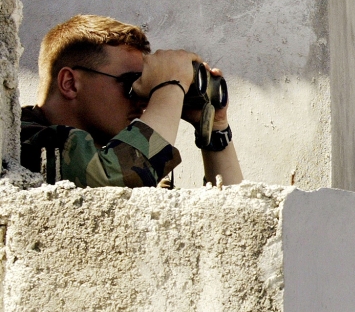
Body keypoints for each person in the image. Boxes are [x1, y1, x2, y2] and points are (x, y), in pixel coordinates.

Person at [20, 14, 242, 188]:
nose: (143, 101)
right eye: (130, 83)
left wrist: (215, 130)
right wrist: (169, 87)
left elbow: (233, 225)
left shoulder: (119, 160)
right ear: (70, 83)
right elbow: (108, 183)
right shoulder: (20, 142)